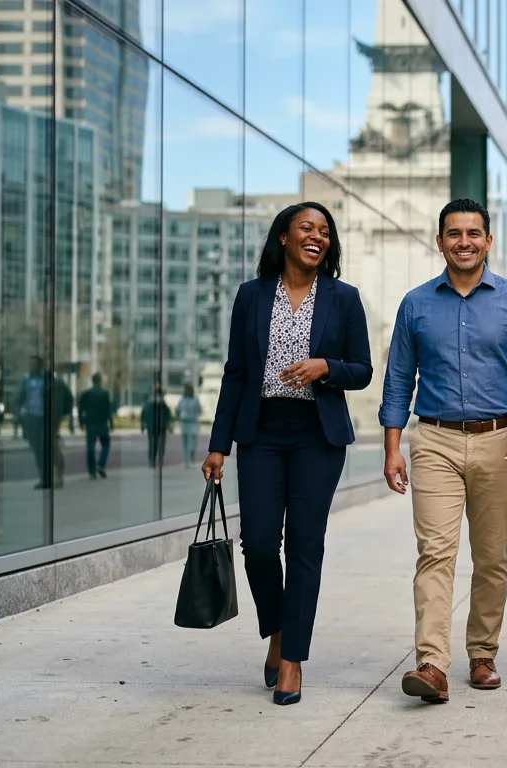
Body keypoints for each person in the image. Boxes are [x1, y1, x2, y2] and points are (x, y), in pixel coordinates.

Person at [201, 201, 373, 706]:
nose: (317, 236)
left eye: (324, 230)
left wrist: (326, 367)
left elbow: (361, 369)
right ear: (283, 237)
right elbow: (236, 373)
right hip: (261, 435)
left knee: (303, 544)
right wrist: (218, 445)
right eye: (306, 228)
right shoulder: (251, 296)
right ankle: (276, 627)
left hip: (317, 437)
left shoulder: (344, 298)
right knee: (256, 543)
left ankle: (292, 658)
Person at [380, 198, 507, 705]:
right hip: (433, 440)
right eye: (453, 233)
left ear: (488, 241)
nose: (464, 242)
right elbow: (397, 380)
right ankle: (431, 664)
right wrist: (393, 448)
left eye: (473, 233)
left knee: (492, 556)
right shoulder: (415, 304)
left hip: (501, 440)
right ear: (440, 242)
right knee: (435, 553)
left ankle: (482, 653)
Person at [15, 355, 71, 489]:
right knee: (38, 450)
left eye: (34, 364)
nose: (31, 366)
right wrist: (20, 416)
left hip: (48, 419)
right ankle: (44, 478)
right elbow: (19, 399)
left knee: (52, 447)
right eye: (30, 364)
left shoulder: (53, 381)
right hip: (32, 419)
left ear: (40, 365)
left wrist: (60, 414)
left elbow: (67, 398)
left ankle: (58, 475)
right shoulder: (26, 381)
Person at [77, 373, 114, 479]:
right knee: (105, 445)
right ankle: (101, 464)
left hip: (90, 423)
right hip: (102, 423)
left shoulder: (86, 394)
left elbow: (81, 409)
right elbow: (108, 410)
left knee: (90, 447)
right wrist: (111, 423)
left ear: (92, 381)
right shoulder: (105, 394)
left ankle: (92, 471)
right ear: (100, 381)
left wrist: (81, 422)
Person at [141, 387, 173, 468]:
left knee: (154, 444)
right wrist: (169, 425)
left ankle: (153, 460)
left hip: (154, 426)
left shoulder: (150, 403)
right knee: (158, 444)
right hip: (158, 426)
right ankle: (157, 460)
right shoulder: (160, 403)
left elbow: (143, 414)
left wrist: (143, 425)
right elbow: (167, 416)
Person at [176, 383, 203, 468]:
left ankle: (191, 459)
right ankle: (186, 460)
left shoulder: (195, 399)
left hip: (193, 422)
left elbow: (199, 410)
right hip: (184, 422)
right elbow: (177, 410)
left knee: (192, 443)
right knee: (184, 442)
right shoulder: (182, 399)